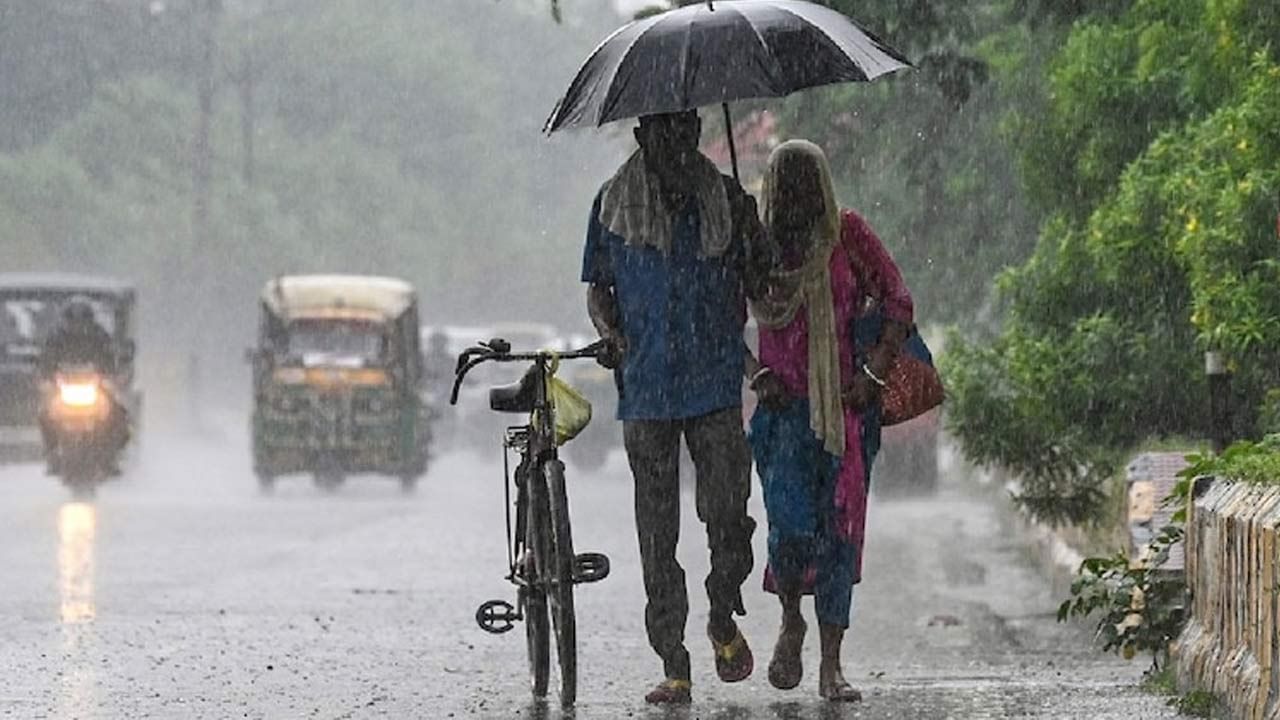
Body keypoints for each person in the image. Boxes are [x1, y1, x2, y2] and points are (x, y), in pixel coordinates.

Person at [582, 110, 772, 705]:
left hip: (715, 385)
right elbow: (598, 291)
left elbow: (762, 280)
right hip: (646, 391)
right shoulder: (612, 205)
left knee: (730, 517)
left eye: (686, 130)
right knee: (656, 534)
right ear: (642, 136)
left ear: (696, 132)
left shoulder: (729, 202)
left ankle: (721, 611)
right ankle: (673, 659)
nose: (677, 142)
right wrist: (610, 333)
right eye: (664, 132)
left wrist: (751, 238)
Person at [746, 140, 913, 702]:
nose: (795, 193)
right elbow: (721, 315)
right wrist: (755, 373)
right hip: (782, 417)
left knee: (839, 539)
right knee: (789, 532)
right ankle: (791, 618)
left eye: (805, 181)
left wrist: (874, 374)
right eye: (785, 182)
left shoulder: (847, 235)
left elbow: (897, 300)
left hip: (843, 414)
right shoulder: (756, 246)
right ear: (772, 189)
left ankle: (831, 665)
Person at [39, 298, 128, 473]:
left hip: (95, 388)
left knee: (118, 413)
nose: (78, 325)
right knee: (45, 414)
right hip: (64, 388)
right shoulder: (56, 338)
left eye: (82, 320)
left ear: (90, 320)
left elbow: (110, 358)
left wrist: (111, 375)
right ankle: (52, 452)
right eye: (73, 320)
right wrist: (47, 377)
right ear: (65, 320)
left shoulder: (100, 336)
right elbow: (46, 360)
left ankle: (112, 455)